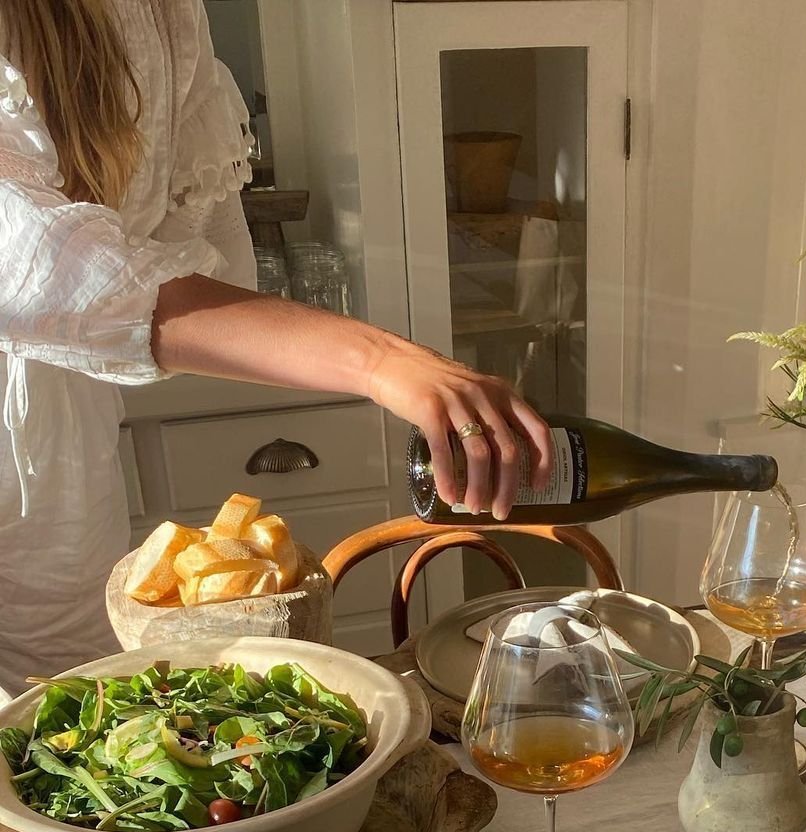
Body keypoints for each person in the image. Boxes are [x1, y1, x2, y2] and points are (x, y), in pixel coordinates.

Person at [0, 0, 551, 699]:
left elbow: (209, 266)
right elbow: (34, 268)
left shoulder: (164, 15)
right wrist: (378, 361)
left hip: (64, 459)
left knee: (62, 714)